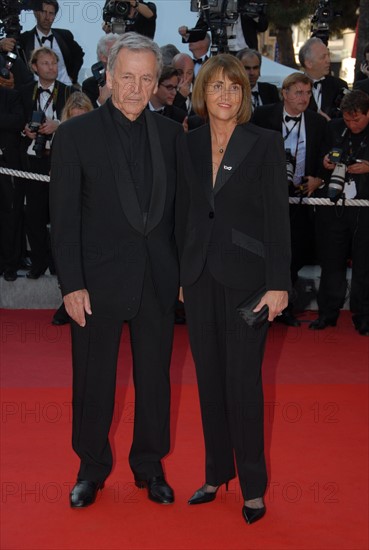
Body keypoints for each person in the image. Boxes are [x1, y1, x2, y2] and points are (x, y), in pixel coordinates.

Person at [50, 33, 182, 508]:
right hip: (95, 284)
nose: (135, 87)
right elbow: (63, 221)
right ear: (108, 77)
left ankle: (150, 466)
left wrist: (183, 274)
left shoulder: (171, 136)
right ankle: (91, 468)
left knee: (155, 381)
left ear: (157, 83)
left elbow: (180, 215)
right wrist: (72, 284)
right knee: (93, 381)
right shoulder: (74, 135)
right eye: (127, 77)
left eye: (146, 78)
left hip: (156, 282)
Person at [176, 54, 291, 524]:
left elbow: (277, 219)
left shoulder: (264, 143)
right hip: (200, 279)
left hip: (249, 281)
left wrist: (279, 285)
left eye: (235, 87)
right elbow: (185, 214)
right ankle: (216, 471)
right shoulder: (188, 145)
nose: (225, 95)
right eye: (216, 86)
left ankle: (253, 487)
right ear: (203, 92)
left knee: (244, 385)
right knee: (209, 382)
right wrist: (183, 276)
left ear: (244, 95)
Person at [252, 73, 326, 326]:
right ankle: (257, 303)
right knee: (262, 251)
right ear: (284, 93)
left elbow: (326, 160)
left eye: (307, 93)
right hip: (264, 197)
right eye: (298, 93)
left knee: (293, 254)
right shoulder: (261, 115)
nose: (304, 98)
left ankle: (285, 308)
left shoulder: (317, 122)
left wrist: (319, 179)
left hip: (300, 198)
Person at [309, 90, 369, 337]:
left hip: (365, 209)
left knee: (365, 264)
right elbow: (319, 156)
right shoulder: (333, 127)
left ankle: (364, 316)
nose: (351, 125)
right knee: (331, 261)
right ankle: (327, 313)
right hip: (334, 206)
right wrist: (325, 162)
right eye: (347, 120)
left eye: (357, 120)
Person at [19, 47, 77, 279]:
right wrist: (25, 131)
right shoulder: (23, 93)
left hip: (60, 161)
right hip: (32, 161)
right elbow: (15, 122)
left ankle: (58, 263)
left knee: (60, 215)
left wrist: (58, 125)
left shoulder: (68, 91)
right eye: (45, 63)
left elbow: (81, 122)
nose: (51, 67)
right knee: (33, 215)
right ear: (34, 67)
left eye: (54, 63)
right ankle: (39, 261)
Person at [51, 92, 94, 326]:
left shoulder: (98, 138)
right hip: (69, 207)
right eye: (74, 117)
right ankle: (65, 300)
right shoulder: (64, 138)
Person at [19, 0, 84, 85]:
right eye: (43, 12)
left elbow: (79, 55)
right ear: (36, 13)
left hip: (65, 90)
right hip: (36, 92)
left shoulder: (65, 35)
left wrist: (72, 77)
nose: (47, 17)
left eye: (51, 13)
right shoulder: (24, 39)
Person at [0, 85, 25, 281]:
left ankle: (11, 264)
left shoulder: (11, 96)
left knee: (10, 215)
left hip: (7, 165)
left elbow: (18, 121)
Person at [298, 37, 348, 121]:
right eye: (323, 57)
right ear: (309, 63)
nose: (328, 60)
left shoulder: (339, 86)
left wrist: (330, 124)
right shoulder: (295, 86)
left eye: (328, 55)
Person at [82, 33, 119, 109]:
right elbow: (86, 118)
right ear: (103, 57)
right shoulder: (90, 86)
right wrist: (100, 101)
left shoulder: (135, 81)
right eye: (116, 51)